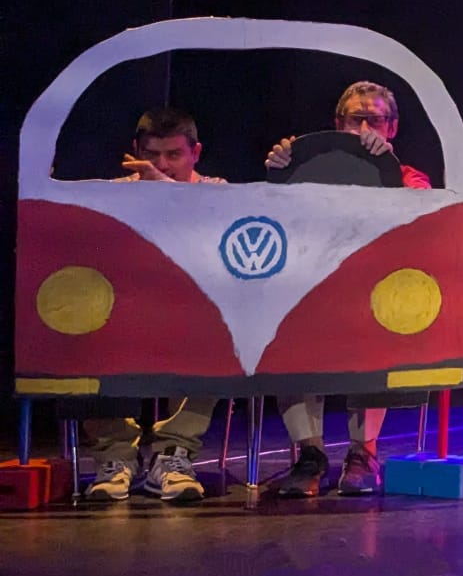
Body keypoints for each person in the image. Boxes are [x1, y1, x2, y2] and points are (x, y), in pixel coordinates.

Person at [262, 81, 432, 497]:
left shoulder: (408, 177)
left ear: (392, 128)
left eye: (375, 120)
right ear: (339, 124)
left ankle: (363, 453)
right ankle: (310, 455)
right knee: (280, 330)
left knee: (380, 330)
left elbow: (422, 219)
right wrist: (280, 169)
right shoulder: (309, 165)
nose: (365, 129)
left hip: (372, 299)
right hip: (312, 295)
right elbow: (272, 211)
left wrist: (384, 168)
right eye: (356, 119)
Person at [82, 108, 225, 503]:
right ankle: (115, 456)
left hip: (192, 315)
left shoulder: (217, 190)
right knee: (82, 328)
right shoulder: (115, 192)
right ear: (135, 150)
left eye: (173, 155)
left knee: (222, 332)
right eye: (152, 154)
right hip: (126, 316)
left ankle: (173, 454)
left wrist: (166, 192)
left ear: (195, 153)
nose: (162, 165)